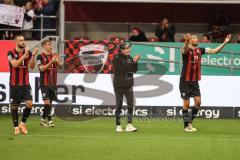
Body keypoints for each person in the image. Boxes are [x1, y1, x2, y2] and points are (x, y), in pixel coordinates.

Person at [180, 33, 231, 132]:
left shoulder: (200, 50)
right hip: (185, 81)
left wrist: (225, 42)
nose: (196, 39)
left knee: (198, 102)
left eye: (196, 38)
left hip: (195, 81)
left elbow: (215, 51)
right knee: (186, 104)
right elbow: (184, 50)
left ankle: (190, 122)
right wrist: (186, 41)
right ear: (190, 40)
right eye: (194, 38)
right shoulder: (186, 50)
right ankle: (186, 126)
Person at [7, 35, 38, 134]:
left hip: (25, 84)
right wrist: (24, 56)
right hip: (14, 84)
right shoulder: (10, 53)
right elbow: (15, 64)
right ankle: (16, 127)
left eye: (23, 40)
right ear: (16, 42)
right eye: (20, 40)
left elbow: (32, 67)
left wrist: (32, 56)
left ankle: (22, 124)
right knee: (14, 106)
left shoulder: (27, 53)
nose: (23, 42)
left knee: (29, 104)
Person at [112, 42, 140, 132]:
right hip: (119, 85)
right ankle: (118, 125)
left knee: (130, 104)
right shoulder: (116, 58)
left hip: (129, 85)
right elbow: (124, 69)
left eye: (129, 48)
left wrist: (135, 62)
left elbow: (134, 70)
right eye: (126, 49)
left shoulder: (129, 57)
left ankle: (129, 125)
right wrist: (134, 61)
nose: (129, 50)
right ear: (121, 50)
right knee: (119, 105)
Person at [37, 39, 62, 127]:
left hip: (53, 83)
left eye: (51, 44)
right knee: (47, 103)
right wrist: (51, 61)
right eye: (48, 44)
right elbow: (42, 69)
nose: (50, 46)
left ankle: (43, 120)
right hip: (44, 83)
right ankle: (50, 120)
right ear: (43, 46)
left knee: (49, 103)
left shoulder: (54, 55)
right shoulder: (40, 56)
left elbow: (61, 66)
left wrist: (57, 61)